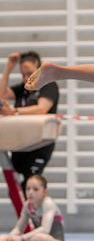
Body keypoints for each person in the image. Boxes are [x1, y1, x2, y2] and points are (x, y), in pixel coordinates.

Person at [0, 51, 60, 190]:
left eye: (30, 74)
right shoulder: (24, 89)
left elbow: (41, 108)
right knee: (16, 189)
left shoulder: (48, 86)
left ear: (39, 71)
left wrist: (14, 111)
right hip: (21, 143)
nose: (26, 78)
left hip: (39, 144)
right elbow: (2, 93)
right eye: (23, 75)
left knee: (30, 185)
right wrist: (9, 67)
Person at [0, 174, 66, 241]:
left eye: (35, 189)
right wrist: (10, 238)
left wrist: (21, 238)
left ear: (45, 192)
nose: (30, 192)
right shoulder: (27, 205)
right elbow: (19, 228)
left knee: (38, 238)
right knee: (2, 239)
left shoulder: (48, 203)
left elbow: (45, 229)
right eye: (28, 189)